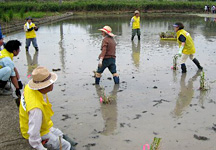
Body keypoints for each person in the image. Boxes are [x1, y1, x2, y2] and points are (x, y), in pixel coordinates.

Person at [19, 66, 77, 150]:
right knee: (66, 146)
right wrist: (40, 147)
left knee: (60, 135)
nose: (53, 84)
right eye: (51, 83)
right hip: (37, 132)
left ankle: (64, 140)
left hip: (42, 125)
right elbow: (34, 133)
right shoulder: (36, 109)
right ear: (45, 86)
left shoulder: (29, 88)